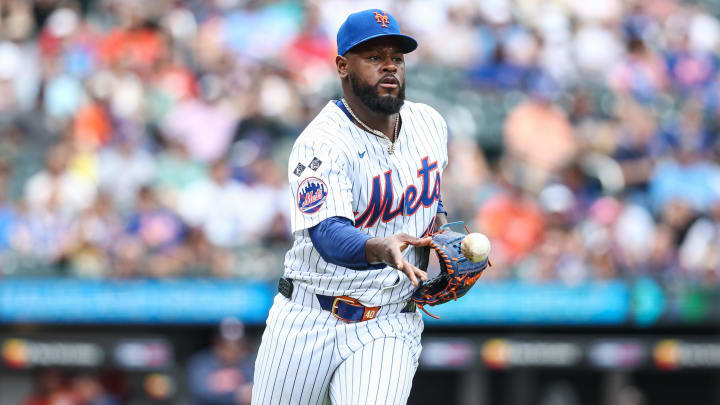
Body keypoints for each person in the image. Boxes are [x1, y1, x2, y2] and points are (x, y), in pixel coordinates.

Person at [252, 9, 449, 405]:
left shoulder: (430, 123)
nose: (390, 66)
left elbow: (430, 197)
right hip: (309, 316)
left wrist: (446, 239)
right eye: (375, 57)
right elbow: (327, 235)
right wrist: (381, 248)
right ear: (343, 66)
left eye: (396, 56)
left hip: (389, 320)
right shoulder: (321, 142)